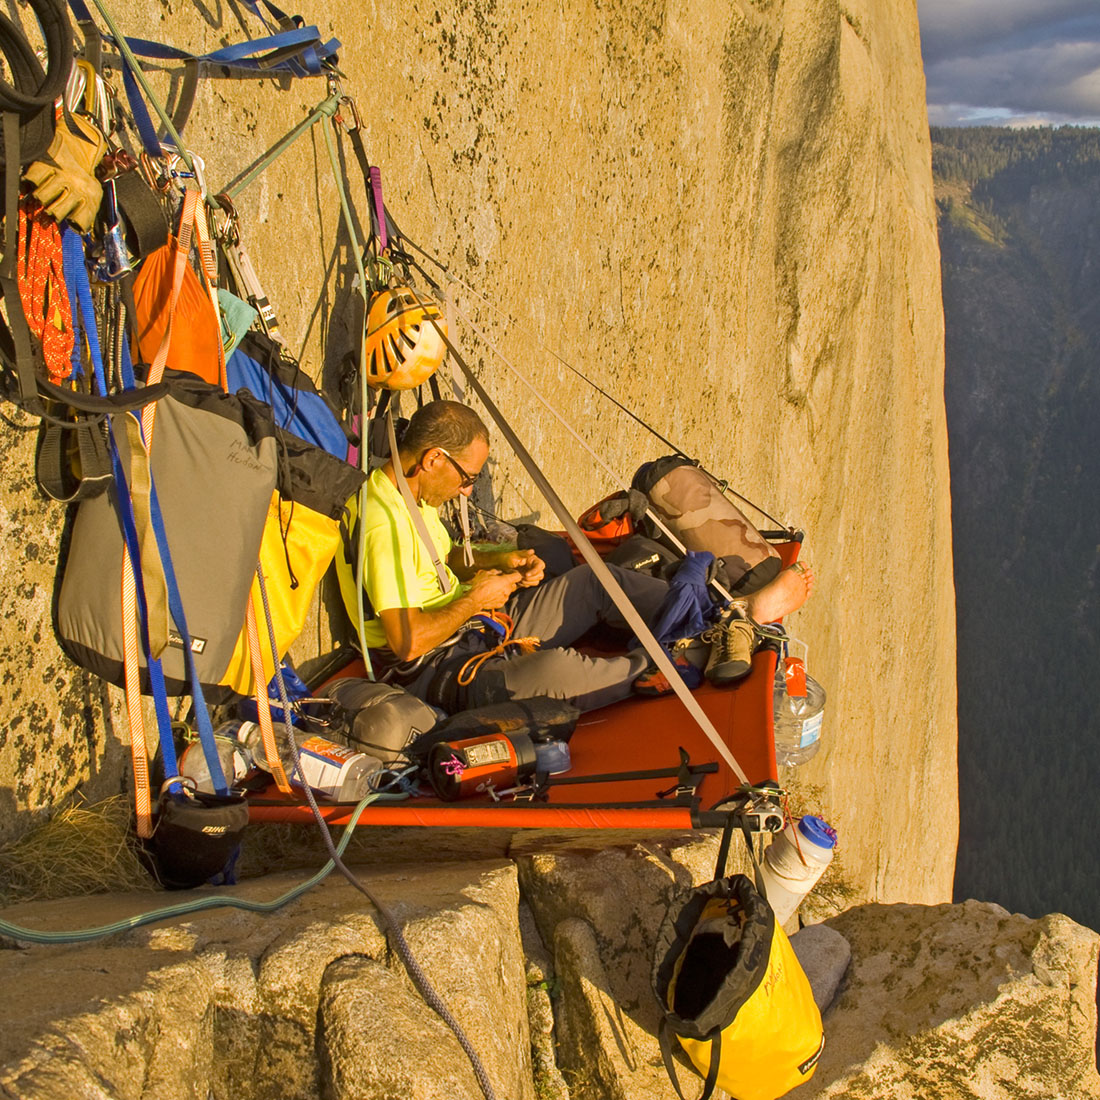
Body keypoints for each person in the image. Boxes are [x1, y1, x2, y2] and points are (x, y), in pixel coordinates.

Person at [335, 400, 814, 713]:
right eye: (465, 478)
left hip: (474, 623)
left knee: (596, 581)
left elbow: (438, 565)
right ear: (434, 459)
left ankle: (730, 616)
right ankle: (676, 661)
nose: (466, 490)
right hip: (436, 668)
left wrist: (496, 563)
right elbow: (406, 643)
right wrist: (475, 600)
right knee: (556, 673)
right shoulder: (384, 521)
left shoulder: (415, 497)